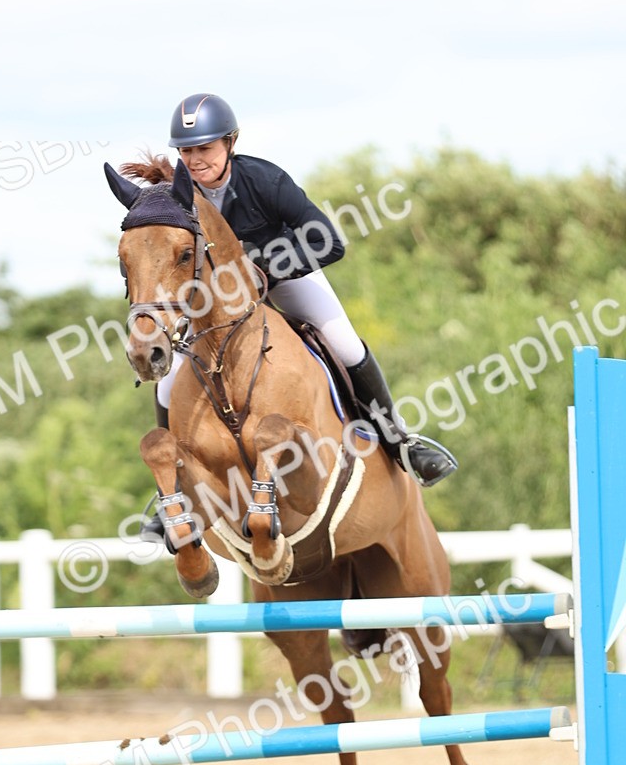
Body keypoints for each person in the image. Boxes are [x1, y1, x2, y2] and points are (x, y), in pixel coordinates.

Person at [135, 93, 456, 538]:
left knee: (344, 342)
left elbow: (329, 240)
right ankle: (173, 489)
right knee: (169, 380)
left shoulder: (263, 180)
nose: (195, 160)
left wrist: (264, 266)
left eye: (204, 149)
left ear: (230, 143)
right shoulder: (178, 197)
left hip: (283, 278)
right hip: (214, 303)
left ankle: (399, 441)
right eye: (187, 151)